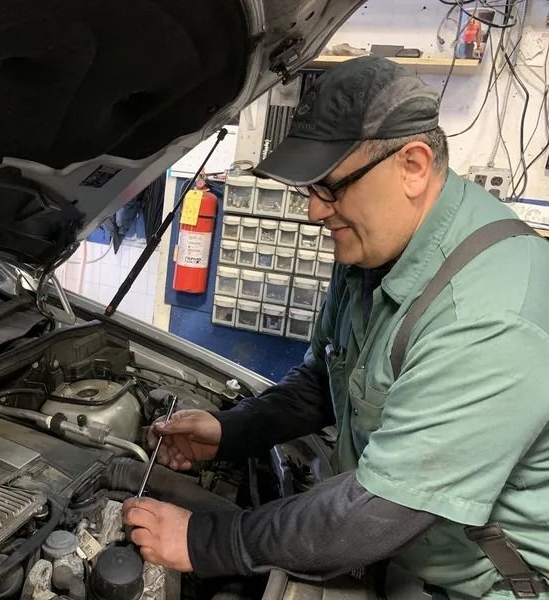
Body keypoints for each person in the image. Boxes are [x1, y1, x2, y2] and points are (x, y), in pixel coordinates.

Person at [123, 56, 549, 599]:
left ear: (413, 166)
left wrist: (209, 542)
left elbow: (380, 512)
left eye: (329, 188)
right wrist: (231, 430)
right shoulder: (374, 256)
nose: (313, 213)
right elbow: (326, 382)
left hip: (488, 586)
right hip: (407, 553)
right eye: (308, 192)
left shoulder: (489, 316)